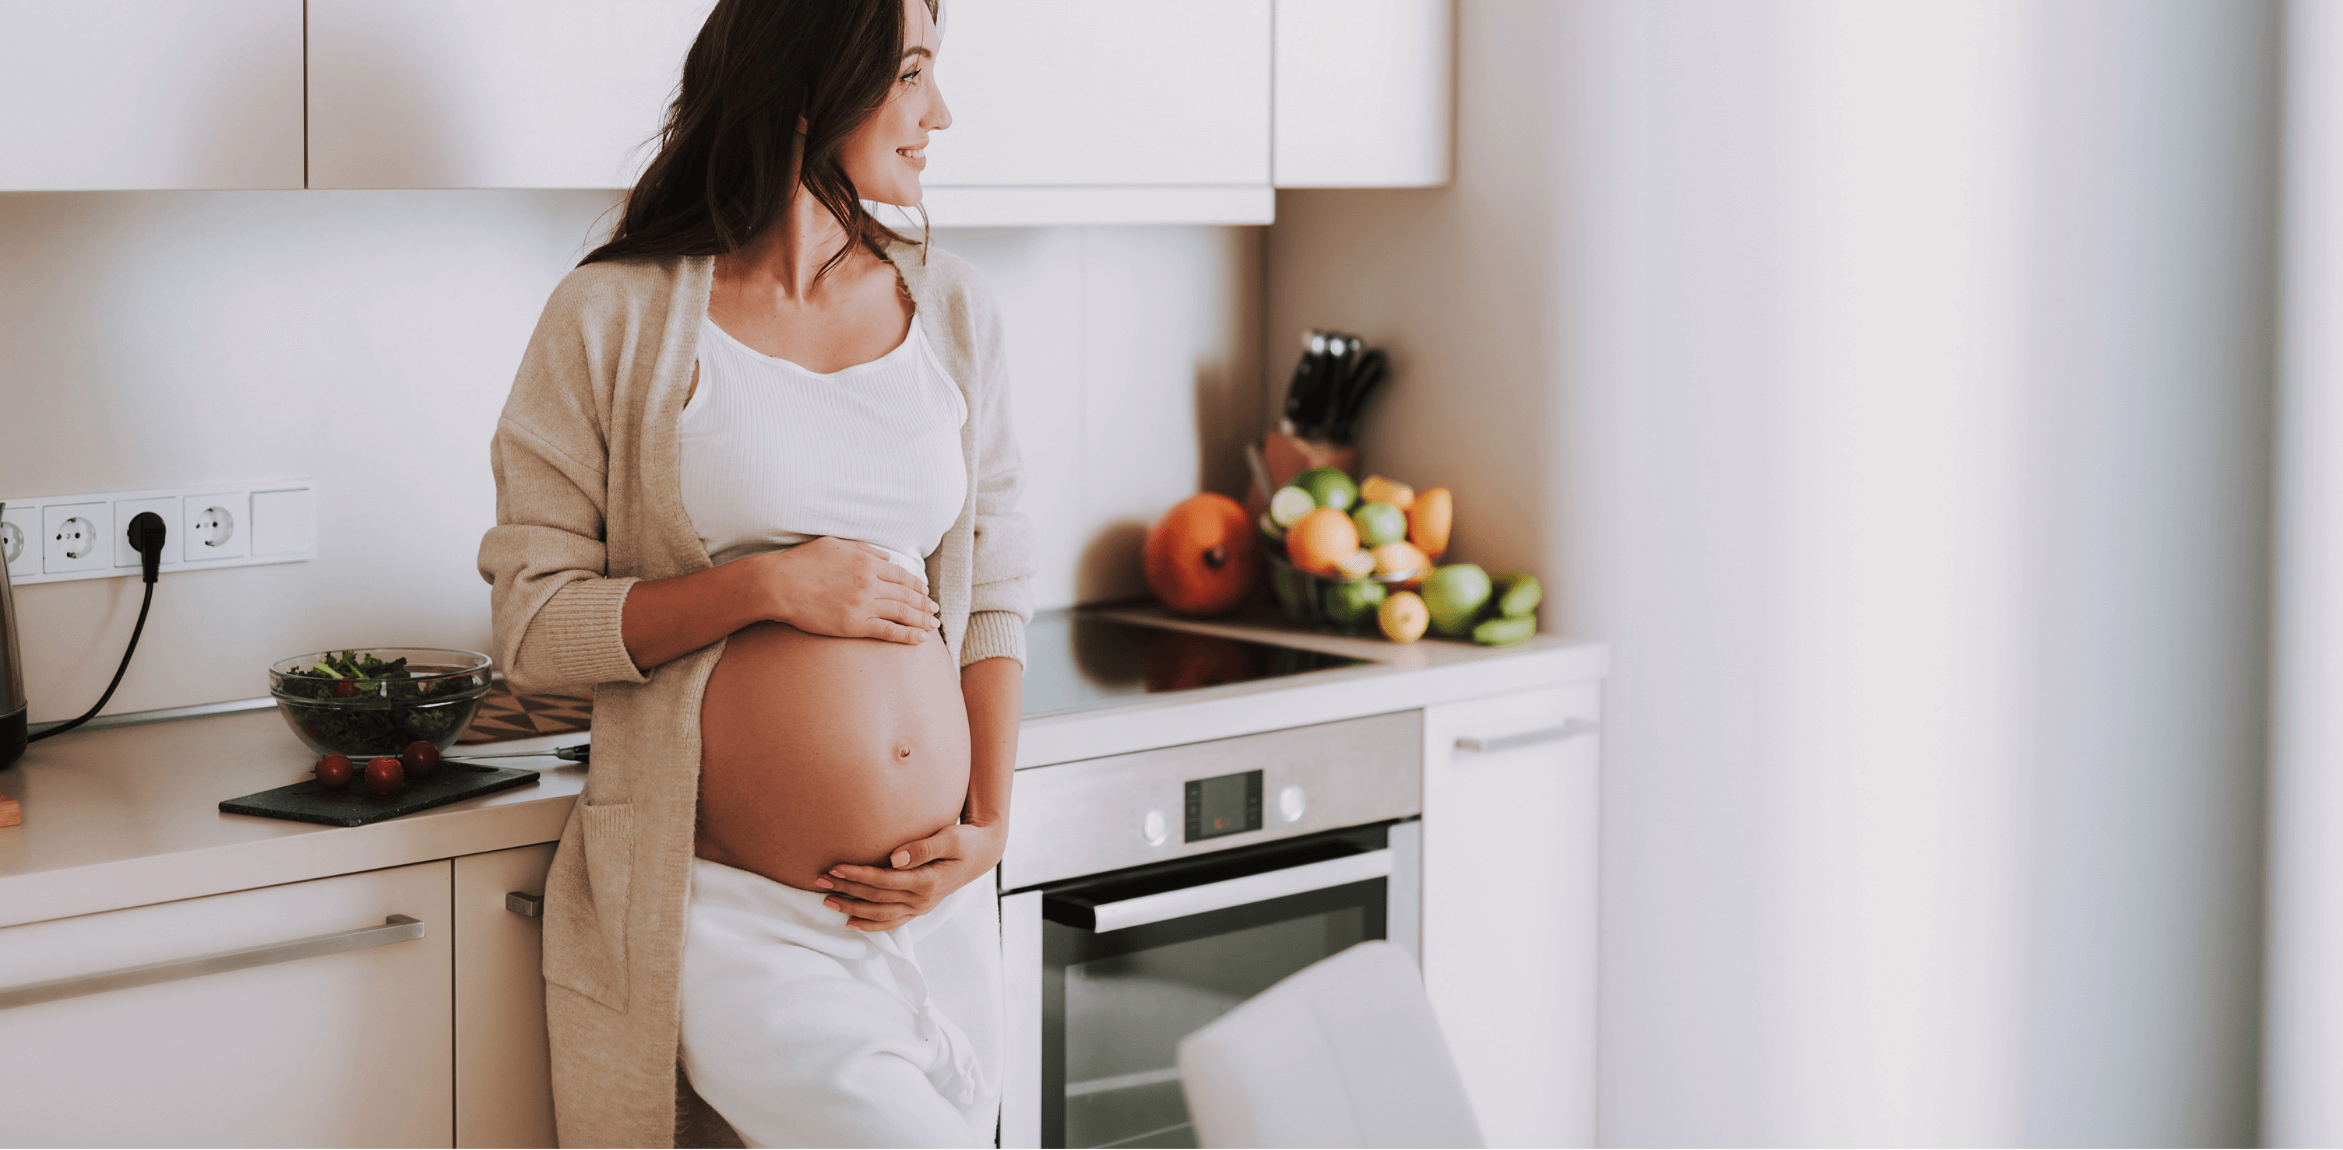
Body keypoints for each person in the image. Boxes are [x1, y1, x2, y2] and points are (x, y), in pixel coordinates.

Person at [477, 0, 1032, 1143]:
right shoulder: (611, 316)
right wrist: (768, 586)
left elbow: (997, 588)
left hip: (939, 906)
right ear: (804, 90)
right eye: (914, 75)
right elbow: (533, 626)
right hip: (742, 918)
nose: (940, 114)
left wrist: (987, 826)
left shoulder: (954, 309)